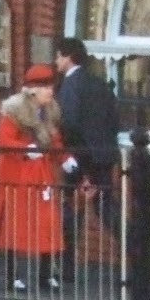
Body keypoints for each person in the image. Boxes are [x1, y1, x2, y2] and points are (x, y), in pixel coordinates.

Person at [0, 64, 67, 294]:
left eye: (51, 86)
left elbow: (54, 142)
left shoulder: (49, 113)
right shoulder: (15, 112)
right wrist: (25, 149)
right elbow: (3, 141)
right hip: (17, 176)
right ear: (33, 90)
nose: (50, 91)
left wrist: (66, 159)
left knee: (47, 224)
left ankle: (47, 274)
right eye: (45, 87)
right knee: (16, 226)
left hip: (41, 176)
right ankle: (14, 276)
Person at [54, 37, 121, 280]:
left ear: (69, 57)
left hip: (80, 157)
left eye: (59, 56)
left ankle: (66, 267)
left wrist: (74, 162)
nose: (56, 61)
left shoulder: (70, 86)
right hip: (104, 155)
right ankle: (136, 253)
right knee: (106, 208)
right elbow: (114, 120)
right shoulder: (99, 83)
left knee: (72, 210)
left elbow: (69, 124)